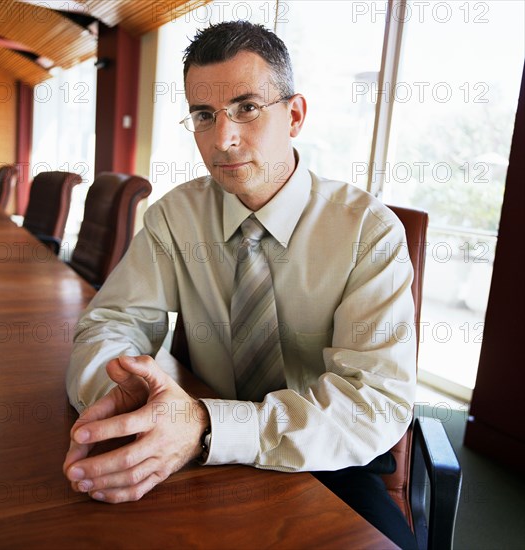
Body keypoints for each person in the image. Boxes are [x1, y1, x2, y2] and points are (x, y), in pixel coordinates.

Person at [63, 21, 418, 549]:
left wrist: (209, 425)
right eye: (204, 116)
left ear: (294, 115)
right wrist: (129, 400)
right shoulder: (173, 219)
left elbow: (373, 404)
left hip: (326, 459)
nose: (222, 139)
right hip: (191, 447)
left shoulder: (367, 230)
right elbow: (112, 323)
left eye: (247, 108)